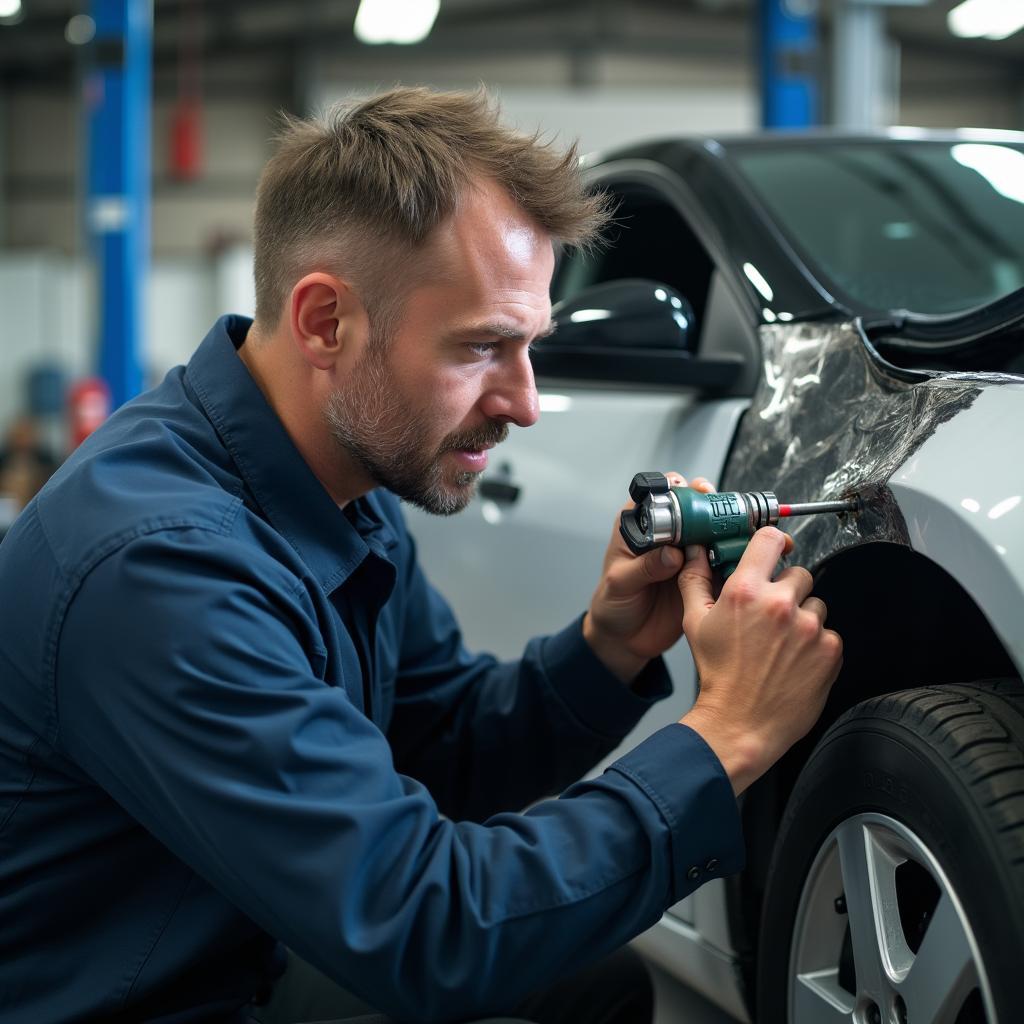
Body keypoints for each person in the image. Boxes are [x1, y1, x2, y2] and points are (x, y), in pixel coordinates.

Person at [0, 88, 842, 1024]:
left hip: (227, 942)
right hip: (135, 1002)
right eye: (483, 347)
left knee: (596, 989)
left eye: (530, 346)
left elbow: (433, 744)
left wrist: (609, 651)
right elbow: (429, 930)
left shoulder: (336, 479)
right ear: (326, 322)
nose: (524, 403)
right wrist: (729, 737)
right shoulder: (160, 570)